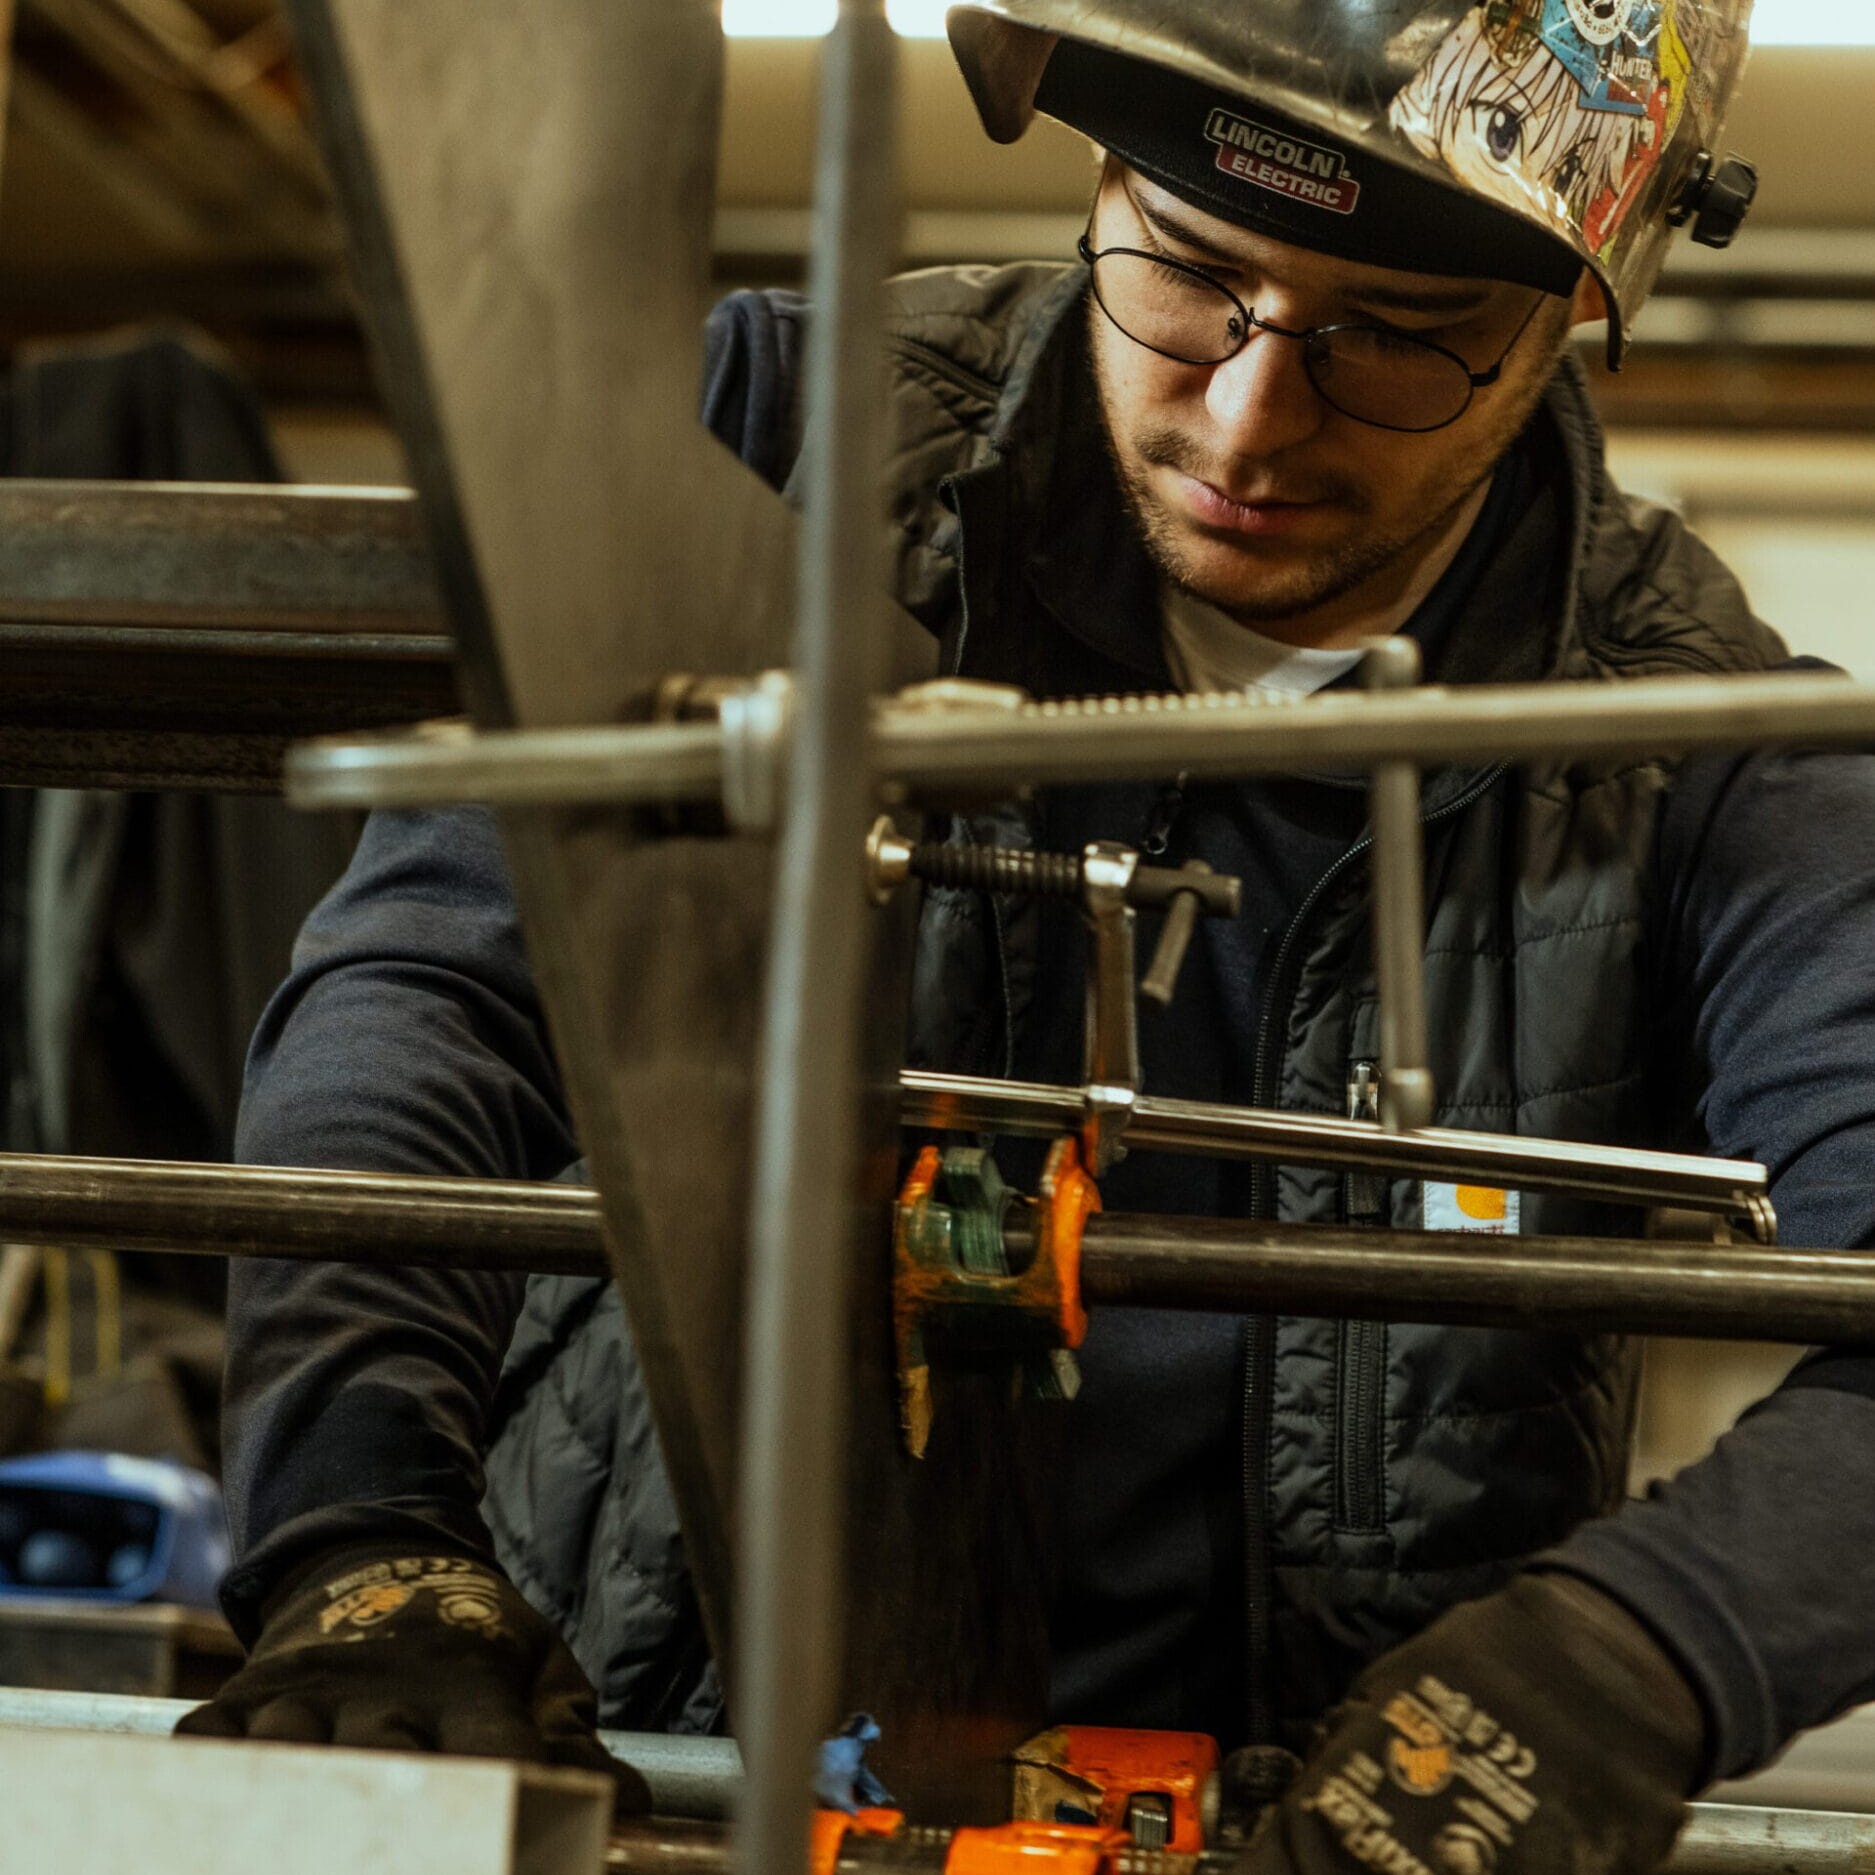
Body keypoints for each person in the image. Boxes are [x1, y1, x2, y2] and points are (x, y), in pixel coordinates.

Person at [186, 4, 1875, 1872]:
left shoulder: (1699, 738)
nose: (1248, 413)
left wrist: (1609, 1675)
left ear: (1569, 316)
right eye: (1191, 273)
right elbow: (431, 991)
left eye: (1393, 336)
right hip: (670, 1760)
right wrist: (359, 1534)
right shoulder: (774, 452)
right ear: (1098, 177)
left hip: (1306, 1816)